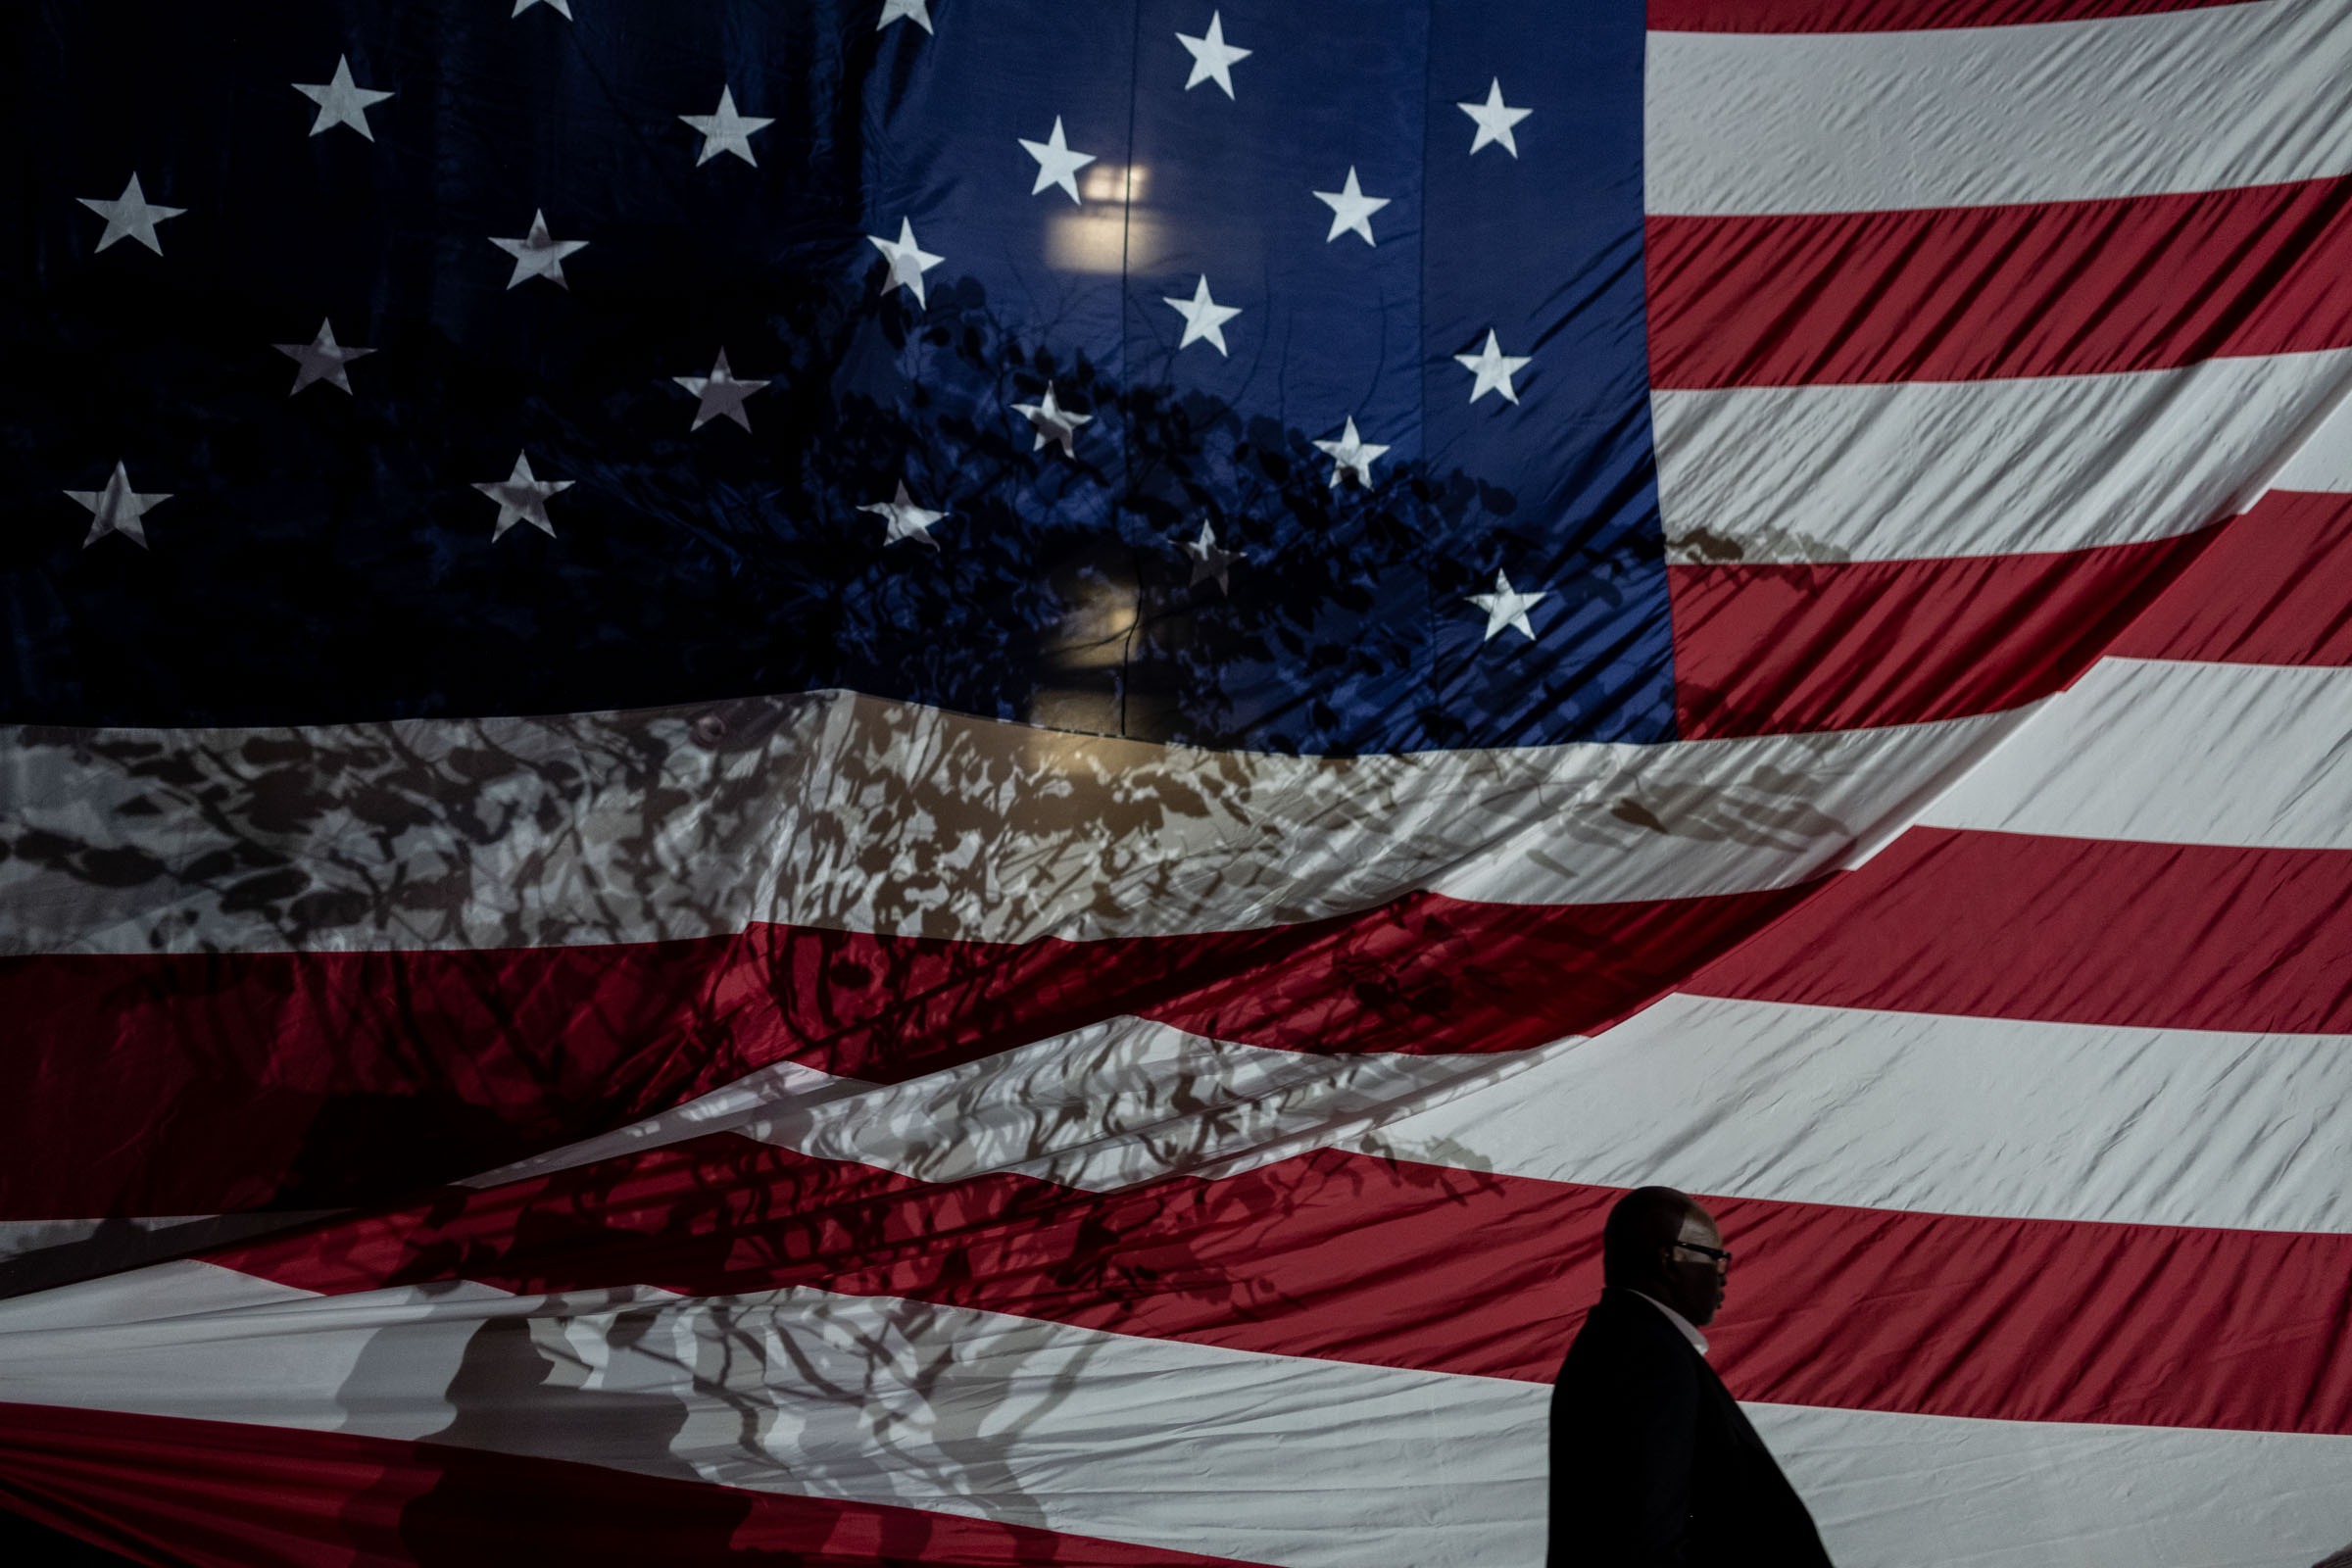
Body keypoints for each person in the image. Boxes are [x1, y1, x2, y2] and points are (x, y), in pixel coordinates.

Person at [1548, 1186, 1832, 1566]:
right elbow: (1648, 1544)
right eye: (1715, 1258)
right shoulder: (1647, 1356)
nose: (1723, 1275)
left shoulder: (1626, 1344)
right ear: (1668, 1260)